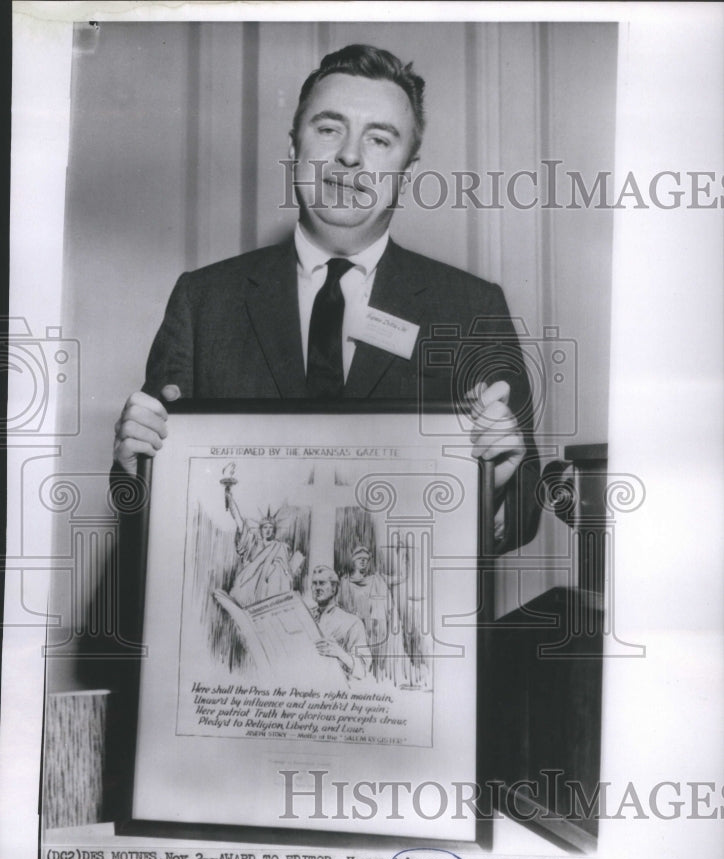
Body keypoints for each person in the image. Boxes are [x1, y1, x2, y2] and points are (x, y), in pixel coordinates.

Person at [112, 44, 540, 554]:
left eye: (380, 139)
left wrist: (493, 485)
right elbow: (145, 521)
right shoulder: (203, 301)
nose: (351, 156)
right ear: (295, 148)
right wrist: (136, 473)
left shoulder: (473, 308)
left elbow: (524, 515)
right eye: (329, 128)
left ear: (408, 168)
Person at [338, 544, 411, 684]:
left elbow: (402, 577)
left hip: (377, 632)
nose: (363, 561)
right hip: (357, 632)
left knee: (377, 669)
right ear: (353, 560)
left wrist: (403, 556)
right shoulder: (345, 583)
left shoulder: (378, 579)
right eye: (360, 558)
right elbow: (339, 607)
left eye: (366, 558)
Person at [310, 565, 371, 681]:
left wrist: (339, 653)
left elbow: (363, 670)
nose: (317, 588)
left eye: (322, 583)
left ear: (334, 588)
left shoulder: (352, 622)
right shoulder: (305, 617)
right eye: (314, 583)